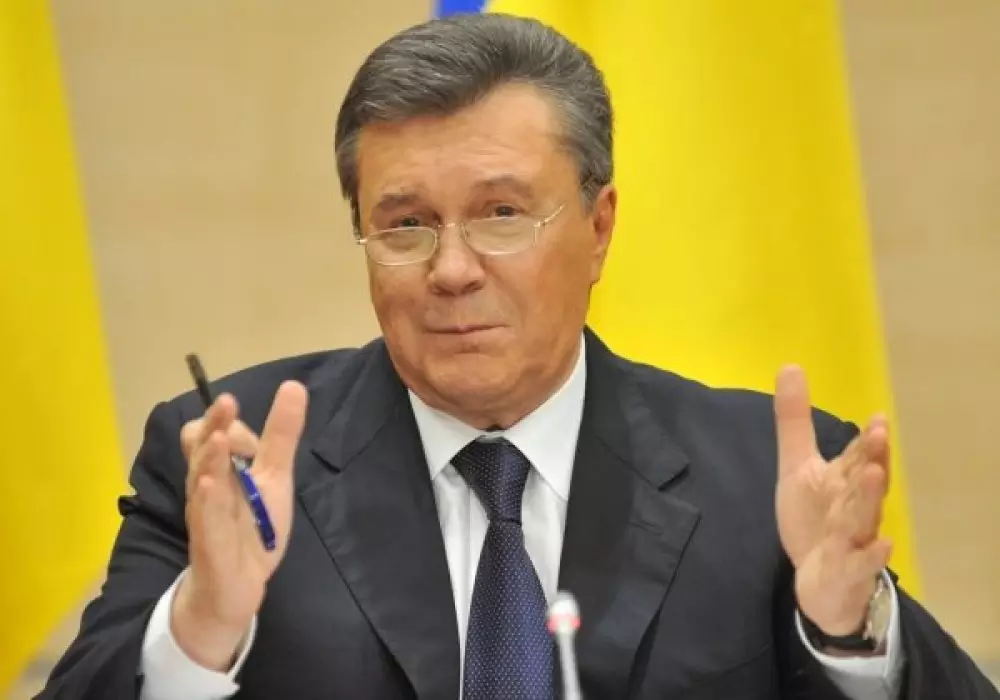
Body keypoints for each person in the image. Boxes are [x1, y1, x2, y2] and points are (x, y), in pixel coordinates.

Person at [38, 12, 996, 700]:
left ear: (599, 227)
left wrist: (849, 631)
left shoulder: (761, 477)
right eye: (405, 225)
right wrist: (203, 627)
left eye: (501, 214)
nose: (452, 270)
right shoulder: (232, 466)